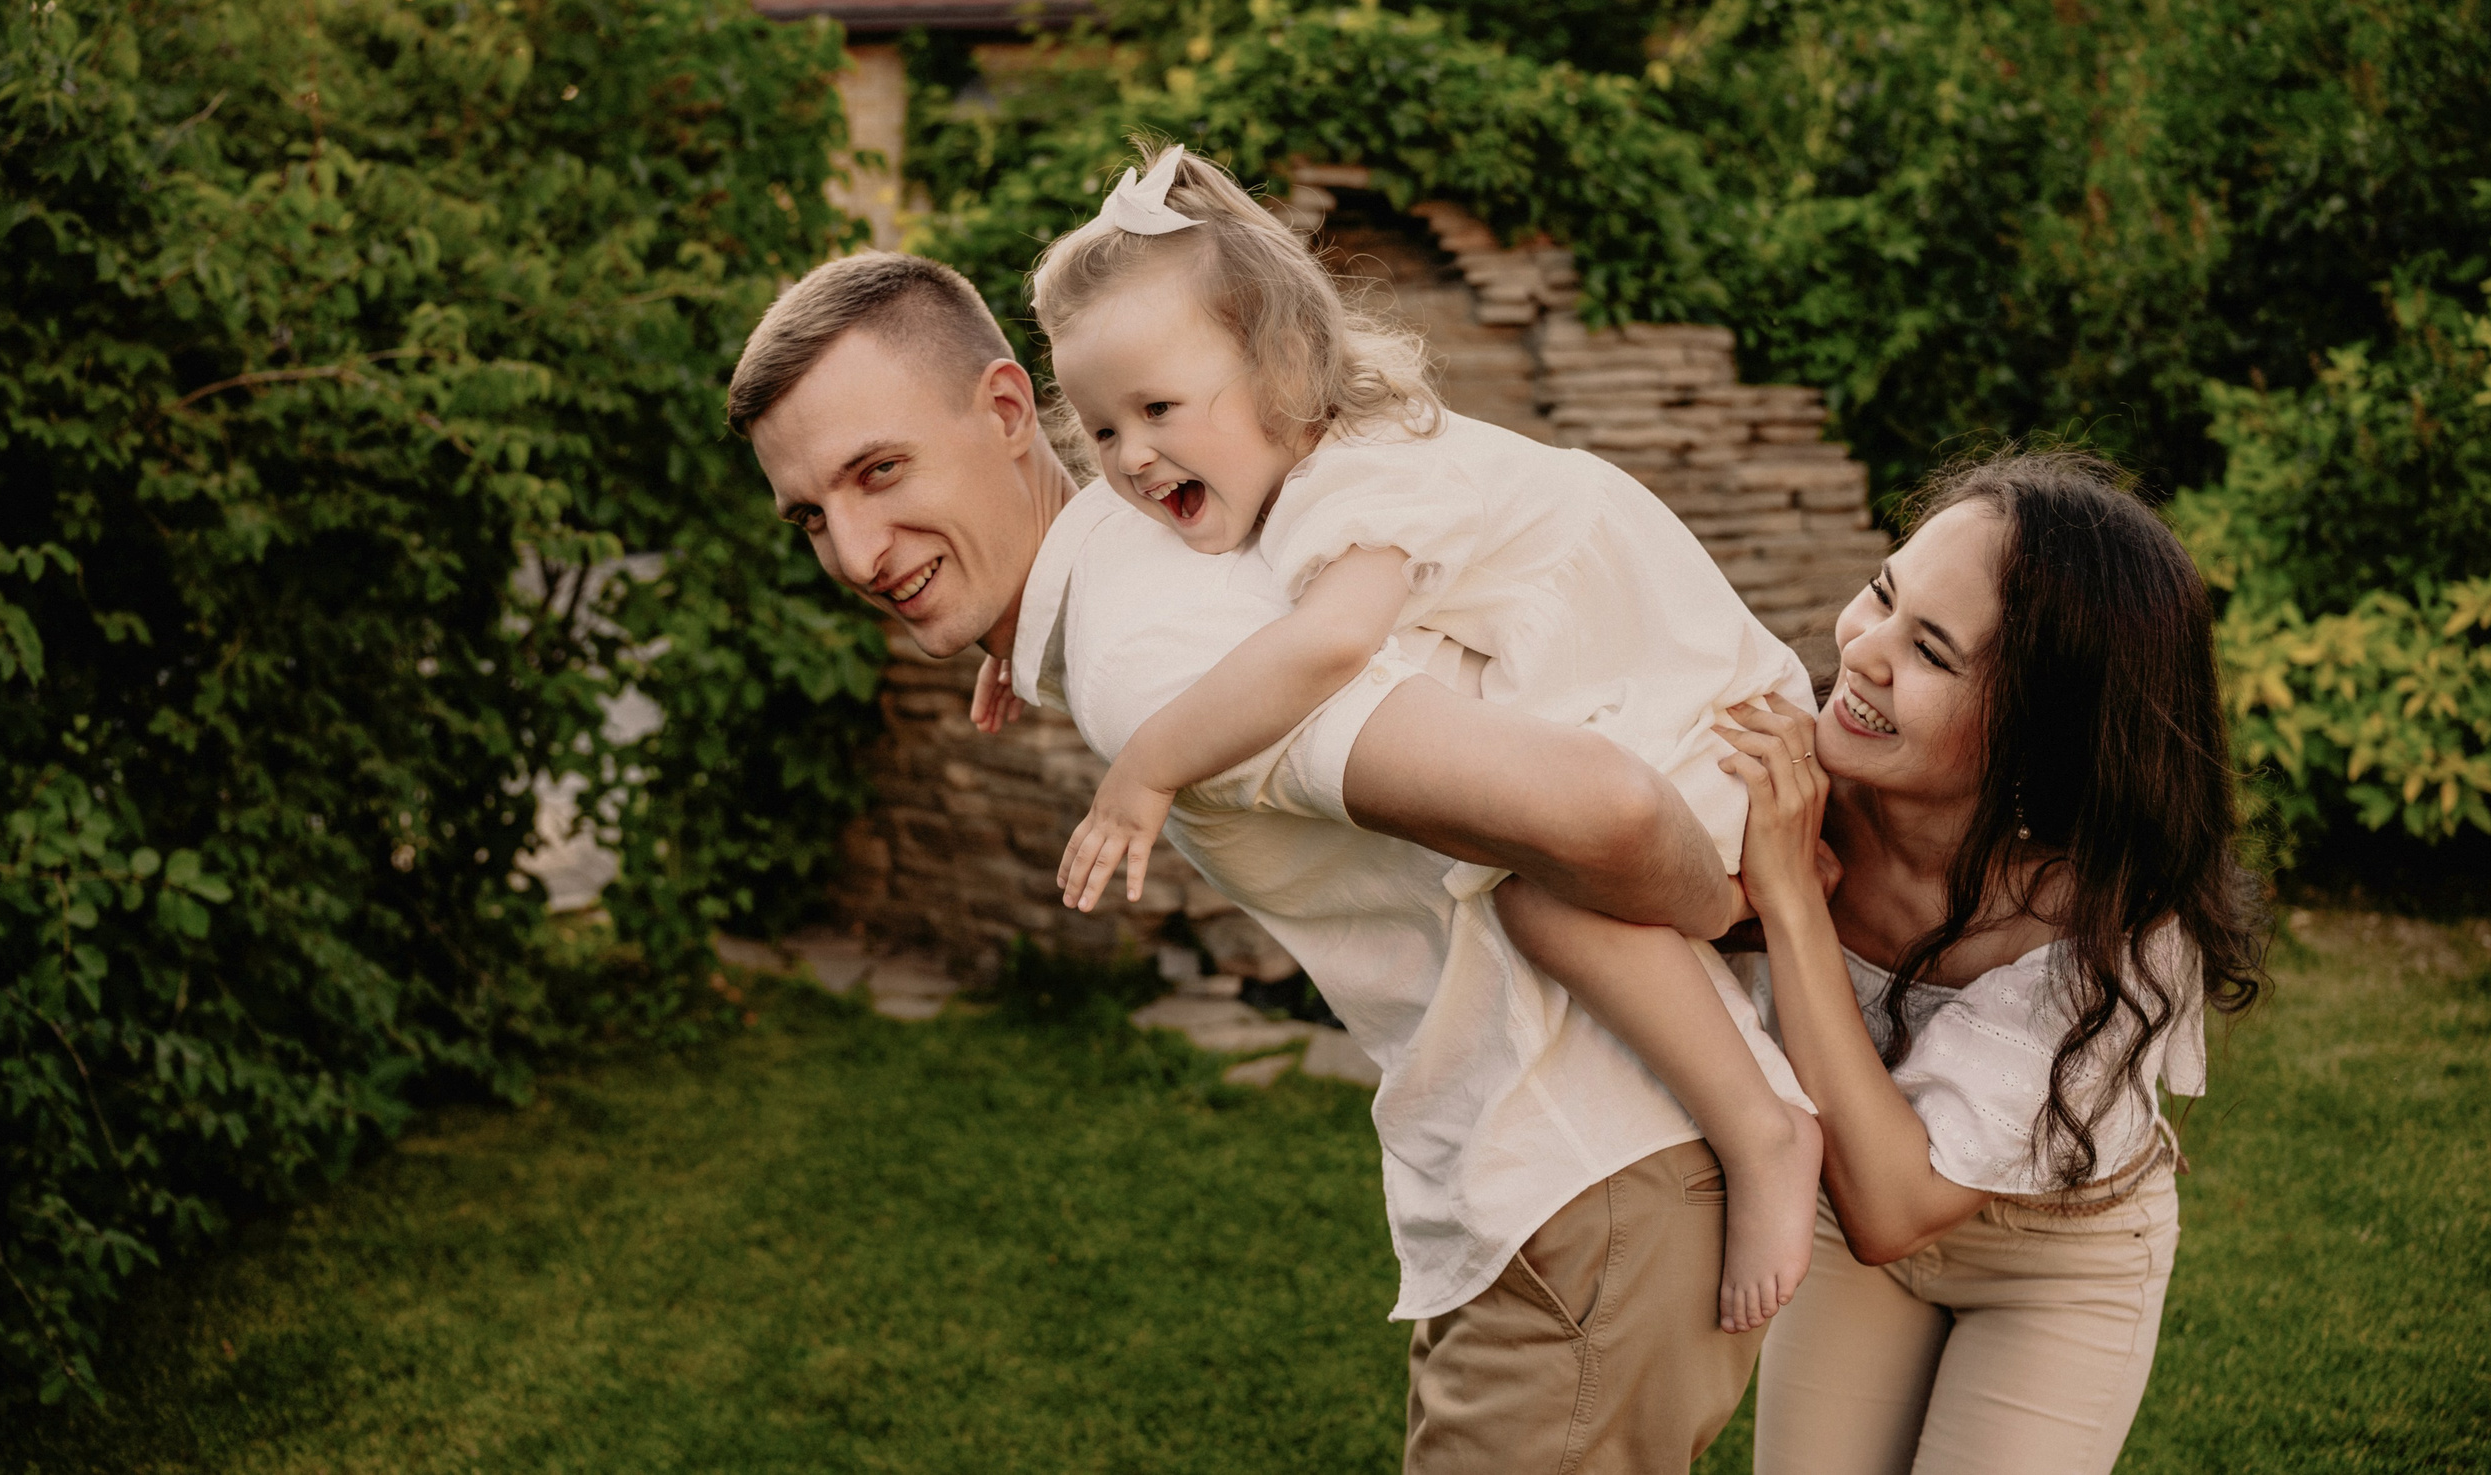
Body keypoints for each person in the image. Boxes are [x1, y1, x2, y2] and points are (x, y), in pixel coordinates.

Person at [728, 243, 1803, 1473]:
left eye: (882, 471)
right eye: (814, 515)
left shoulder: (1148, 666)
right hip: (1573, 1186)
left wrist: (1739, 909)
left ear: (1010, 412)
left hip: (1585, 1177)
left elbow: (1598, 807)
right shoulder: (1165, 537)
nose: (858, 553)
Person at [975, 143, 1822, 1333]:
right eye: (1102, 428)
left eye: (1158, 409)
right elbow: (1189, 576)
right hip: (1628, 679)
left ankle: (1766, 1127)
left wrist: (1146, 767)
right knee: (1540, 874)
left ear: (1277, 365)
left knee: (1544, 894)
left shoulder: (1353, 484)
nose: (1127, 457)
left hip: (1683, 704)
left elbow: (1321, 648)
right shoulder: (1299, 463)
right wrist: (1011, 645)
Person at [1512, 451, 2267, 1474]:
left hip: (2061, 1258)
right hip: (1842, 1215)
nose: (1863, 651)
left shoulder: (2117, 930)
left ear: (2039, 735)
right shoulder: (1776, 779)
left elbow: (1893, 1206)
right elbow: (1543, 869)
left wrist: (1787, 897)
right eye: (1881, 593)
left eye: (1933, 654)